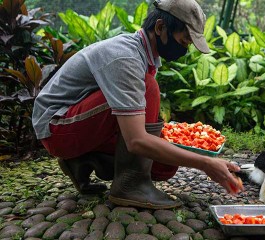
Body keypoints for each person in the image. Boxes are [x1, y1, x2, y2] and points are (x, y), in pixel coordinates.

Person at [32, 0, 243, 209]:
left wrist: (189, 151)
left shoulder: (145, 54)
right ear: (160, 27)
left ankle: (82, 161)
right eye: (184, 41)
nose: (185, 49)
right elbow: (135, 141)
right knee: (148, 87)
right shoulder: (125, 57)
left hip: (79, 125)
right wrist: (205, 163)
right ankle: (130, 186)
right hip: (56, 128)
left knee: (164, 166)